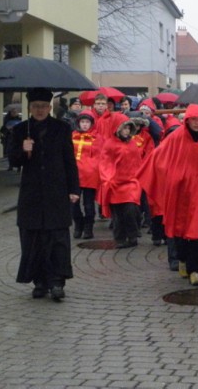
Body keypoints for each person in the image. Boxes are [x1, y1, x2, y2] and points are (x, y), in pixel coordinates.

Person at [8, 88, 80, 302]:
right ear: (29, 108)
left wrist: (74, 189)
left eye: (43, 106)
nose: (39, 110)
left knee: (57, 237)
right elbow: (13, 161)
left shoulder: (61, 128)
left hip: (56, 191)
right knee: (34, 240)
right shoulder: (21, 130)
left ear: (50, 107)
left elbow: (69, 161)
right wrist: (23, 150)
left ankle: (57, 281)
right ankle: (39, 281)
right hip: (32, 194)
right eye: (35, 106)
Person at [138, 104, 198, 286]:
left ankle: (195, 270)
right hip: (180, 192)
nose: (197, 123)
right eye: (194, 119)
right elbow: (159, 157)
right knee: (179, 229)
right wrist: (170, 176)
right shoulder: (176, 137)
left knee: (197, 232)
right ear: (188, 120)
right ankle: (182, 259)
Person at [98, 116, 142, 249]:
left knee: (130, 209)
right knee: (118, 213)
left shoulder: (132, 143)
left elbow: (137, 162)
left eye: (129, 128)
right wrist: (107, 179)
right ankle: (120, 238)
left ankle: (133, 235)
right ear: (118, 128)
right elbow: (105, 163)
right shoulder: (110, 144)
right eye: (124, 127)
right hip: (115, 183)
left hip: (131, 182)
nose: (127, 130)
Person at [71, 109, 103, 239]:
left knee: (89, 204)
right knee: (73, 204)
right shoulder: (72, 136)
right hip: (74, 175)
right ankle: (78, 225)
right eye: (82, 122)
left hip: (90, 176)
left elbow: (100, 157)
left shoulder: (97, 138)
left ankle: (88, 228)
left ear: (91, 123)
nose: (84, 124)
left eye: (87, 122)